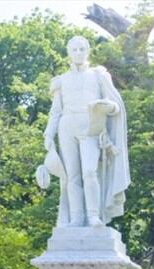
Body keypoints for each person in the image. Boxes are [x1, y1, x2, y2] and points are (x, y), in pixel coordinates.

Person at [40, 35, 129, 227]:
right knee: (71, 176)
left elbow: (116, 106)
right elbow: (55, 111)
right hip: (66, 126)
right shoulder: (61, 80)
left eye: (81, 49)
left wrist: (106, 106)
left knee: (89, 171)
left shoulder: (98, 75)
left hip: (91, 126)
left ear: (87, 51)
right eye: (74, 50)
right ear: (69, 53)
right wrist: (48, 133)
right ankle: (77, 217)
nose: (78, 53)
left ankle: (93, 216)